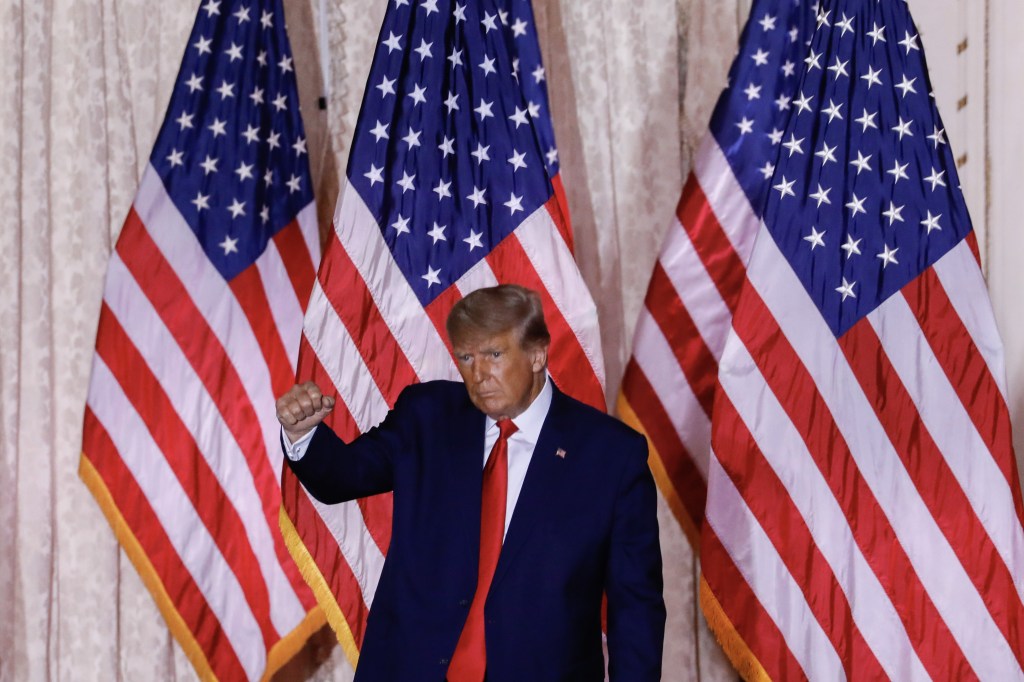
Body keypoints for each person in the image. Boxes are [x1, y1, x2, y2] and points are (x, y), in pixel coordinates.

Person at [276, 284, 665, 681]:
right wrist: (303, 433)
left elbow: (635, 608)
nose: (478, 375)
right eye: (466, 357)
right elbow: (341, 476)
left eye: (494, 354)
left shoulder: (611, 456)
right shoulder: (427, 417)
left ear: (537, 354)